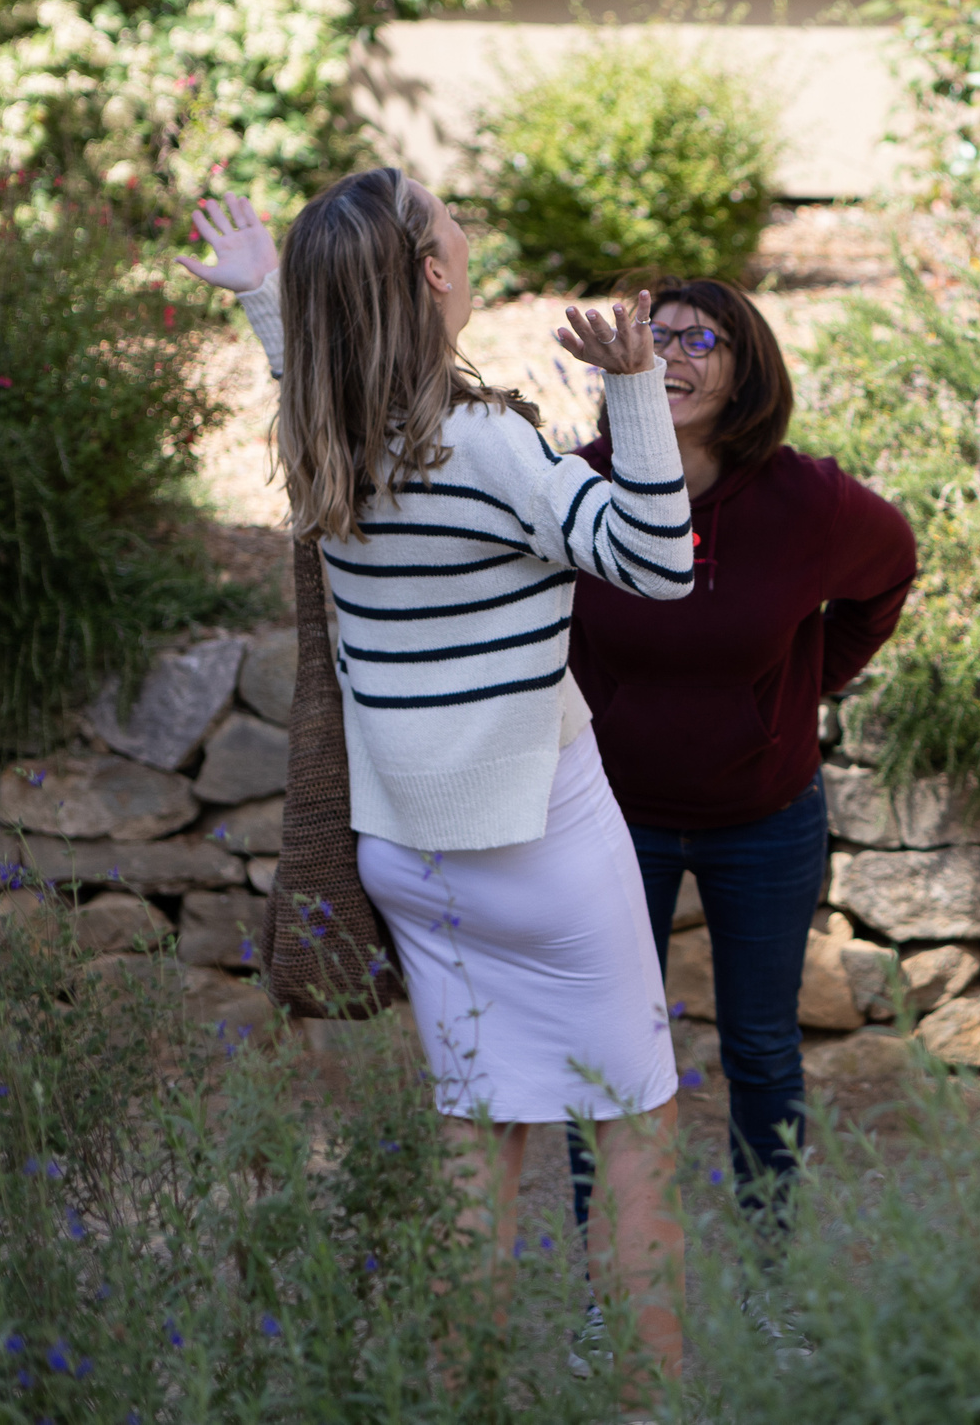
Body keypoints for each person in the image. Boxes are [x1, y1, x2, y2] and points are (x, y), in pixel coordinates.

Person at [180, 179, 694, 1392]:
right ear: (430, 274)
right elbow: (658, 562)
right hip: (545, 849)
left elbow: (306, 370)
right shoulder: (489, 444)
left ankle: (454, 1401)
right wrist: (635, 391)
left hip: (406, 855)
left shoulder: (326, 435)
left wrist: (265, 292)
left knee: (482, 1135)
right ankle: (654, 1409)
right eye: (443, 216)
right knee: (633, 1127)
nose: (461, 221)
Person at [563, 272, 915, 1211]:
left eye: (696, 340)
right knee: (604, 1049)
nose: (670, 353)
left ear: (745, 368)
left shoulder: (809, 503)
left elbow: (889, 572)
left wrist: (806, 681)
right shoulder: (582, 482)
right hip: (613, 819)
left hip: (764, 821)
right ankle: (604, 1284)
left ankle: (770, 1279)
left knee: (761, 1048)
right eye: (654, 336)